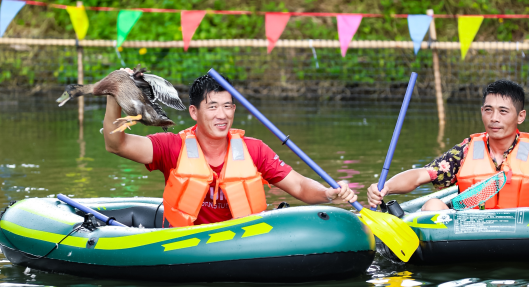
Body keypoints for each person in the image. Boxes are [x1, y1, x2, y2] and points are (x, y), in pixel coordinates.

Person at [104, 73, 357, 226]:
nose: (222, 115)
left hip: (244, 246)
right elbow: (116, 143)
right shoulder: (172, 146)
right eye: (212, 107)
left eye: (228, 106)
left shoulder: (254, 150)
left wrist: (329, 193)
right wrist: (115, 94)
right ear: (194, 112)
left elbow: (300, 187)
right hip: (186, 249)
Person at [367, 79, 529, 211]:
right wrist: (385, 187)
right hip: (470, 230)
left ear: (521, 116)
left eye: (503, 112)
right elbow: (420, 175)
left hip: (524, 230)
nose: (494, 119)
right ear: (482, 111)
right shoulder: (467, 150)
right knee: (433, 205)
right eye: (488, 110)